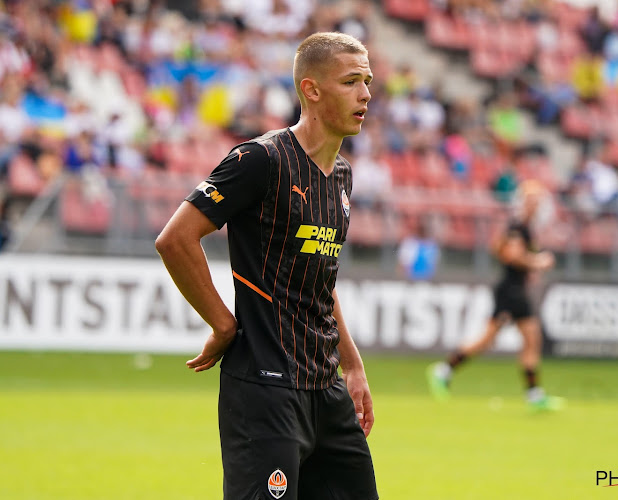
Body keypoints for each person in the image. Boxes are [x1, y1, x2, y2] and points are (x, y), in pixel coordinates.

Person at [155, 32, 378, 500]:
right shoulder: (260, 159)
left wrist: (352, 365)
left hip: (325, 388)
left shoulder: (341, 175)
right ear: (311, 91)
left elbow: (320, 275)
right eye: (351, 82)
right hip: (265, 388)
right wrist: (223, 325)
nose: (365, 94)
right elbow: (175, 239)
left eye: (368, 81)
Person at [427, 180, 563, 411]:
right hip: (511, 291)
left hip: (514, 289)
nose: (538, 205)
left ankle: (534, 394)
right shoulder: (518, 227)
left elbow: (502, 250)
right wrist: (537, 262)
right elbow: (511, 255)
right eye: (534, 200)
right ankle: (444, 370)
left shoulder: (522, 227)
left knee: (525, 339)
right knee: (495, 339)